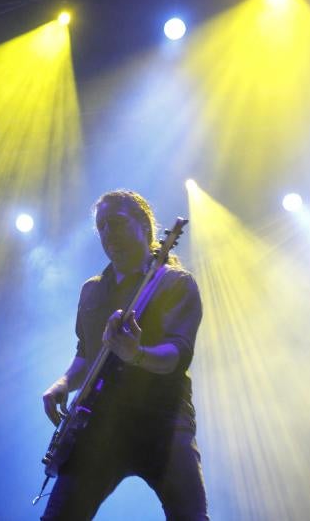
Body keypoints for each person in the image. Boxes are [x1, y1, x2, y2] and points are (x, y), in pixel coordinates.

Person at [41, 190, 208, 520]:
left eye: (115, 223)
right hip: (100, 424)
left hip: (161, 420)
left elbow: (176, 355)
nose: (107, 233)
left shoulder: (176, 283)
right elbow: (85, 356)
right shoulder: (92, 289)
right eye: (101, 226)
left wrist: (137, 354)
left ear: (145, 226)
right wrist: (62, 384)